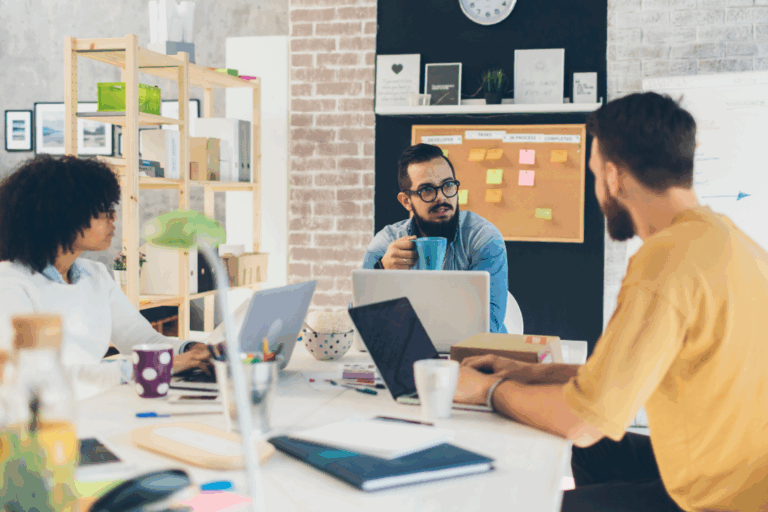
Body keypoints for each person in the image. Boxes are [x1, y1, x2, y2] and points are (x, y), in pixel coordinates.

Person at [454, 92, 768, 511]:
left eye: (595, 176)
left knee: (539, 499)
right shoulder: (730, 241)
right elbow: (624, 374)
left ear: (615, 178)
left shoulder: (666, 260)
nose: (598, 190)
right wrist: (525, 373)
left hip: (719, 500)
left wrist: (488, 390)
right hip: (749, 475)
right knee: (592, 454)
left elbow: (583, 423)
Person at [0, 155, 212, 399]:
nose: (113, 219)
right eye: (104, 211)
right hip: (46, 424)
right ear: (62, 217)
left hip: (95, 409)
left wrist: (192, 350)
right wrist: (165, 365)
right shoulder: (11, 285)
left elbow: (140, 338)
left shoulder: (94, 275)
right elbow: (42, 375)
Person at [362, 143, 509, 333]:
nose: (442, 198)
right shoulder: (387, 243)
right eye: (427, 190)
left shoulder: (483, 238)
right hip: (409, 352)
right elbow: (359, 319)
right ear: (406, 201)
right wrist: (381, 271)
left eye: (448, 185)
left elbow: (489, 324)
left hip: (473, 354)